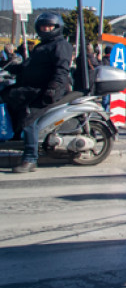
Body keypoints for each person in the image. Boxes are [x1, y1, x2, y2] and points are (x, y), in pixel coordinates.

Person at [1, 12, 72, 172]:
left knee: (28, 118)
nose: (45, 29)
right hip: (32, 88)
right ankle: (14, 138)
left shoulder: (60, 45)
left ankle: (30, 158)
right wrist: (8, 65)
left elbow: (61, 69)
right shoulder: (42, 45)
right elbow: (28, 67)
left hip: (47, 90)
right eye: (42, 26)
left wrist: (53, 88)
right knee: (7, 97)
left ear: (56, 27)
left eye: (49, 26)